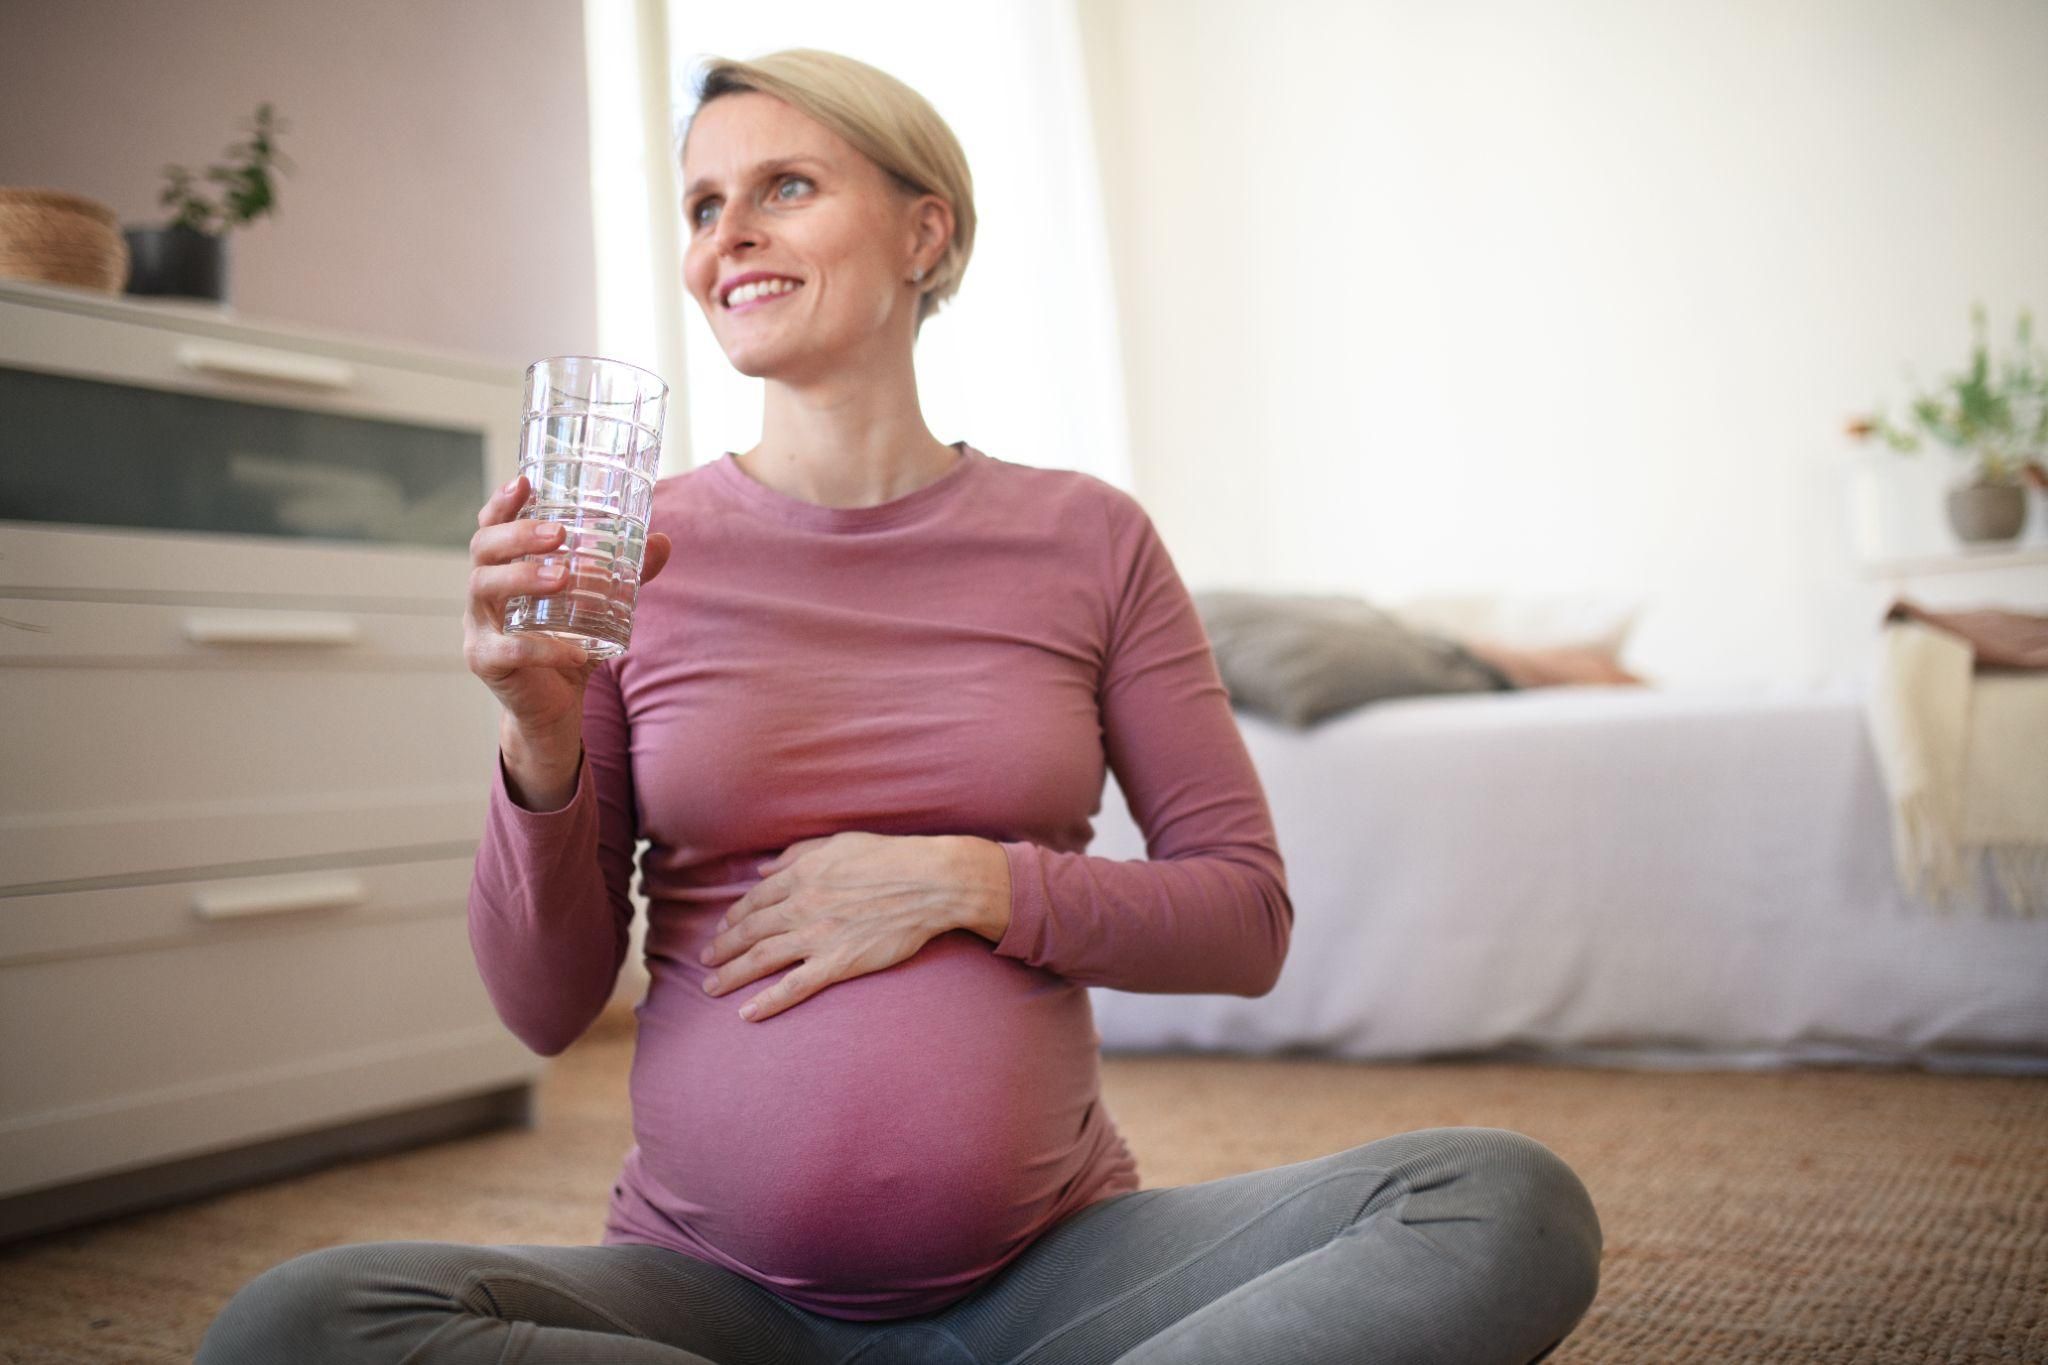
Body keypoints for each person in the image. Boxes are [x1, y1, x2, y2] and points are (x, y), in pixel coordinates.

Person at [195, 48, 1602, 1364]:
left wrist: (968, 880)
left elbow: (1246, 920)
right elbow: (545, 1007)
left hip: (1064, 1279)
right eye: (701, 204)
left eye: (783, 187)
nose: (725, 236)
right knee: (301, 1321)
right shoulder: (631, 558)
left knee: (1496, 1201)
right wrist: (538, 733)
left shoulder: (1087, 538)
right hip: (713, 1299)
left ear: (925, 234)